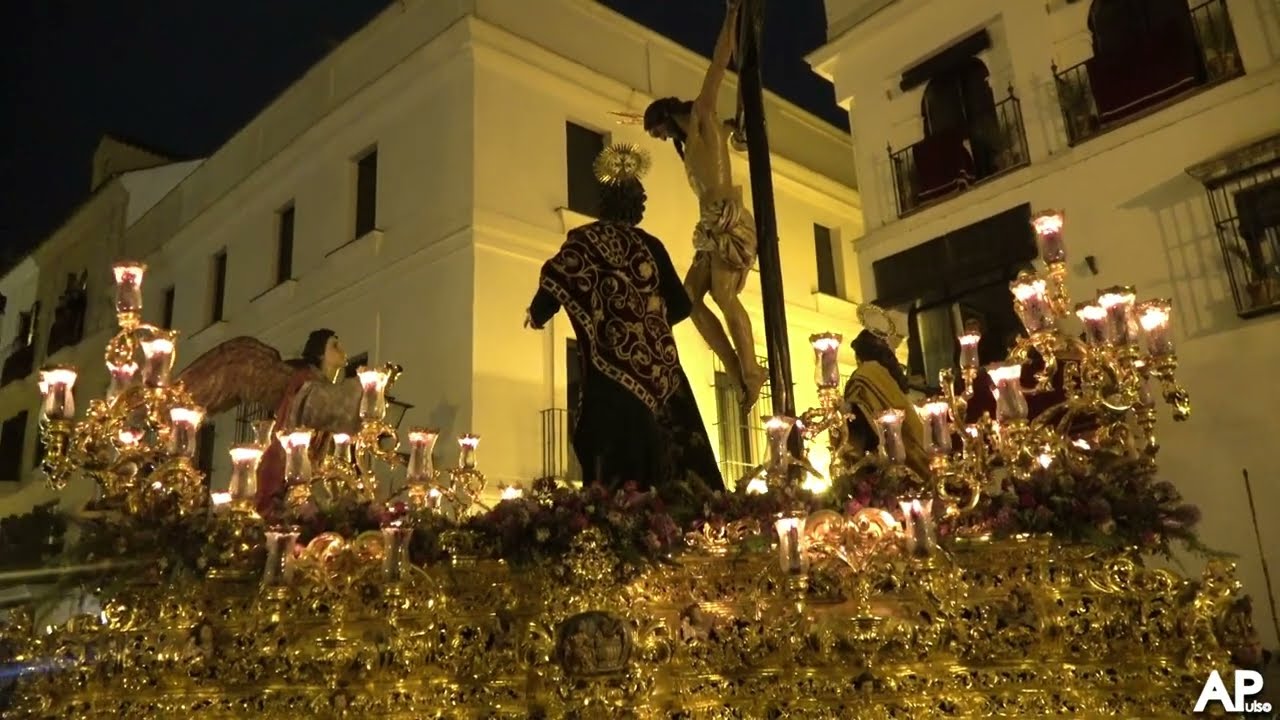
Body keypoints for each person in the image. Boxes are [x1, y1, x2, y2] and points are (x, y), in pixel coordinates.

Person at [525, 144, 724, 492]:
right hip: (658, 377)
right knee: (667, 468)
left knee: (610, 472)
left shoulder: (584, 241)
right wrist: (648, 325)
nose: (645, 203)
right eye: (641, 198)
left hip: (608, 375)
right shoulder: (651, 246)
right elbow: (679, 305)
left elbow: (559, 277)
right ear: (632, 203)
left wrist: (539, 313)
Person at [642, 0, 767, 411]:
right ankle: (735, 369)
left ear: (664, 117)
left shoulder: (702, 115)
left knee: (725, 296)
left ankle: (752, 370)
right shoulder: (692, 143)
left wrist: (731, 15)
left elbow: (718, 64)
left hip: (728, 220)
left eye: (657, 130)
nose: (660, 138)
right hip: (710, 225)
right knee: (689, 300)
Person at [255, 329, 363, 515]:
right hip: (285, 469)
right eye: (334, 346)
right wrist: (367, 387)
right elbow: (325, 407)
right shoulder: (306, 380)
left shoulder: (323, 384)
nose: (342, 350)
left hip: (310, 471)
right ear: (320, 353)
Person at [842, 320, 931, 480]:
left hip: (877, 452)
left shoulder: (863, 376)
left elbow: (855, 418)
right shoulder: (889, 380)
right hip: (911, 453)